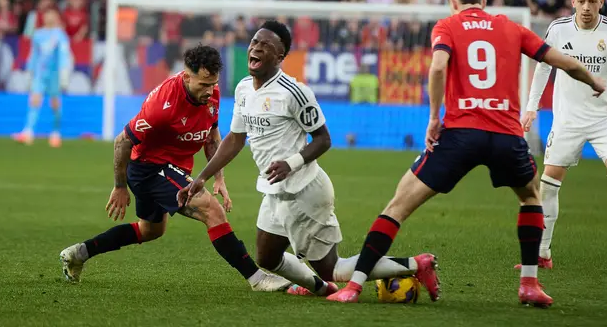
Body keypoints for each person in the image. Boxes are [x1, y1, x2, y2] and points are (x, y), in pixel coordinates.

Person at [327, 0, 605, 306]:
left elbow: (438, 68)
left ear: (453, 3)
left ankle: (353, 287)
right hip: (506, 135)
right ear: (484, 4)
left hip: (460, 134)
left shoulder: (447, 25)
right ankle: (529, 283)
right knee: (531, 199)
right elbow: (561, 61)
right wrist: (594, 81)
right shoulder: (510, 27)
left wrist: (433, 118)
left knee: (397, 206)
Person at [180, 21, 439, 298]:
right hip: (274, 191)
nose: (256, 48)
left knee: (332, 267)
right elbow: (235, 138)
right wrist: (203, 176)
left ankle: (416, 264)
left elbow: (323, 139)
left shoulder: (294, 92)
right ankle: (319, 288)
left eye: (265, 46)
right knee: (267, 258)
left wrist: (290, 163)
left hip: (303, 191)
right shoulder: (244, 88)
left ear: (280, 56)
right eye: (255, 42)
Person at [59, 45, 290, 292]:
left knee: (150, 230)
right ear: (186, 76)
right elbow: (122, 141)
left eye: (213, 84)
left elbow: (212, 137)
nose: (209, 91)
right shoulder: (163, 105)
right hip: (148, 167)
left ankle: (78, 253)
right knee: (211, 210)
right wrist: (119, 186)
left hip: (171, 167)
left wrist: (218, 176)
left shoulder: (211, 93)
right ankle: (257, 279)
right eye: (203, 84)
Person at [521, 0, 607, 275]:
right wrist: (531, 106)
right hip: (568, 120)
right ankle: (543, 253)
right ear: (573, 1)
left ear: (602, 2)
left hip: (605, 120)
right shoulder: (558, 29)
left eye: (593, 1)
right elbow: (543, 67)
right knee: (547, 186)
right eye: (582, 1)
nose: (587, 7)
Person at [13, 9, 72, 147]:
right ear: (44, 18)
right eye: (47, 16)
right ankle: (28, 132)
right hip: (40, 73)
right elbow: (34, 55)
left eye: (52, 16)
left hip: (55, 75)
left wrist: (64, 73)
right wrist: (30, 71)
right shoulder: (39, 35)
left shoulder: (60, 35)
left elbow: (64, 54)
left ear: (57, 18)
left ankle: (56, 134)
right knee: (34, 100)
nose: (49, 18)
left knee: (55, 103)